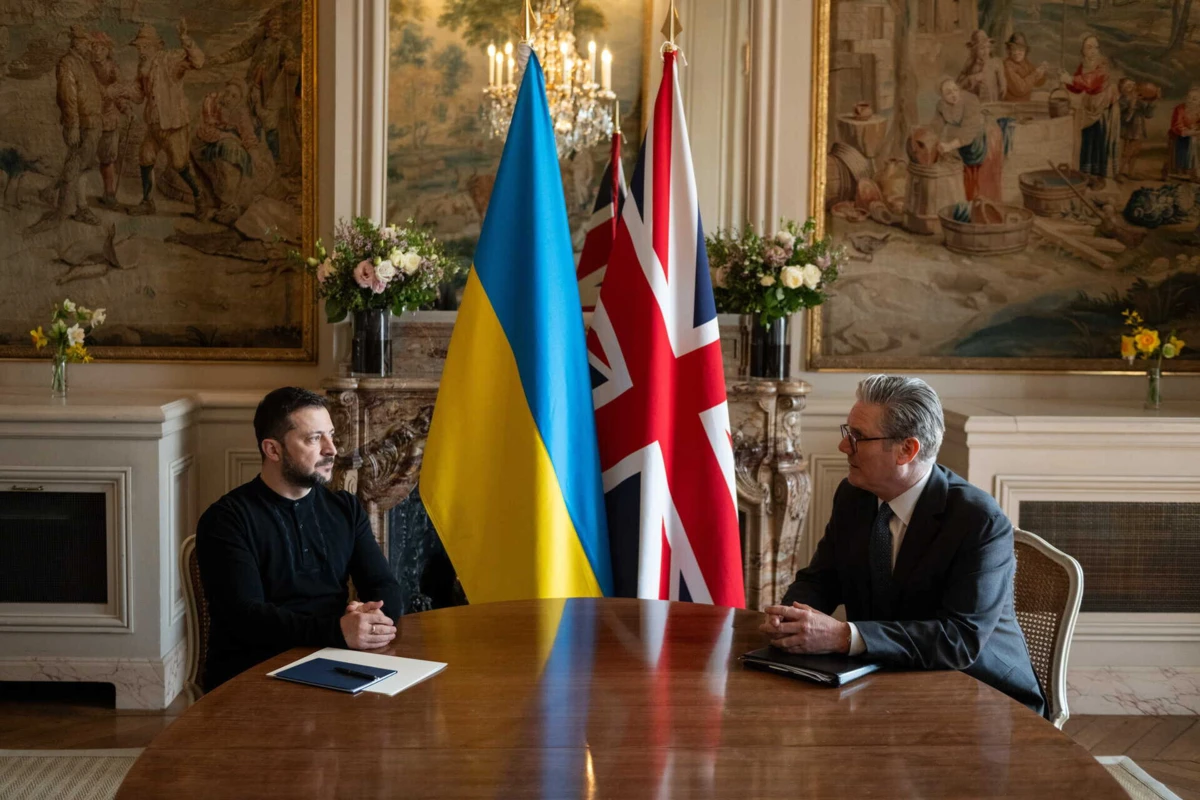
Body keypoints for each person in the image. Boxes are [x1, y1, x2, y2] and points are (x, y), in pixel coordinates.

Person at [759, 375, 1045, 716]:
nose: (843, 446)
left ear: (906, 450)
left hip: (982, 695)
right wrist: (790, 621)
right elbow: (821, 579)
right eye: (846, 432)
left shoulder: (977, 520)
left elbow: (959, 640)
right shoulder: (854, 496)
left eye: (858, 437)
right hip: (885, 681)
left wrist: (842, 637)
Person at [196, 387, 402, 691]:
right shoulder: (226, 520)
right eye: (314, 438)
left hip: (335, 662)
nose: (331, 449)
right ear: (273, 450)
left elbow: (385, 585)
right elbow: (246, 617)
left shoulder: (345, 508)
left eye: (331, 435)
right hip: (253, 675)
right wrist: (338, 630)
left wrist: (373, 619)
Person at [125, 20, 207, 218]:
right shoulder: (142, 66)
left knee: (179, 165)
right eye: (139, 47)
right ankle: (147, 202)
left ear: (156, 46)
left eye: (145, 46)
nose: (141, 51)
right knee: (145, 157)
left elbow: (198, 61)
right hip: (154, 124)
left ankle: (199, 198)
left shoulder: (169, 59)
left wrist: (185, 38)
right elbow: (139, 94)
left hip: (174, 124)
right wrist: (123, 93)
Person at [31, 24, 102, 232]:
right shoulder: (68, 64)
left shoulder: (84, 63)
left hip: (93, 123)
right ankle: (66, 209)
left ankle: (78, 205)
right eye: (86, 43)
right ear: (77, 43)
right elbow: (68, 98)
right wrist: (72, 125)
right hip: (81, 124)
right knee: (75, 166)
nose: (89, 47)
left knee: (83, 166)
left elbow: (92, 93)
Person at [930, 78, 1005, 202]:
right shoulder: (941, 105)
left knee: (984, 179)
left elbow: (969, 130)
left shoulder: (970, 100)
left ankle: (988, 208)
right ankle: (971, 207)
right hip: (966, 142)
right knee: (968, 177)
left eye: (955, 90)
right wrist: (931, 138)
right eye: (948, 93)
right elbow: (936, 126)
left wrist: (949, 146)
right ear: (942, 96)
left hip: (985, 139)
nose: (954, 94)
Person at [1060, 34, 1120, 185]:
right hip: (1089, 106)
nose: (1093, 50)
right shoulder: (1084, 64)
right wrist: (1066, 79)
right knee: (1087, 140)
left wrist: (1071, 79)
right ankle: (1085, 175)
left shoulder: (1102, 64)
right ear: (1083, 51)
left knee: (1099, 141)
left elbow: (1092, 81)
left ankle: (1099, 178)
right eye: (1089, 47)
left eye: (1095, 47)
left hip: (1101, 107)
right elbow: (1077, 87)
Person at [1118, 78, 1156, 180]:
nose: (1132, 88)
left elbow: (1148, 115)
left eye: (1133, 85)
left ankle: (1130, 173)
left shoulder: (1140, 99)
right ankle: (1119, 172)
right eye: (1129, 86)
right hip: (1128, 129)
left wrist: (1151, 103)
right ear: (1123, 89)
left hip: (1139, 129)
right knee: (1127, 152)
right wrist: (1132, 103)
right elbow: (1123, 116)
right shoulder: (1122, 99)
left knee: (1136, 152)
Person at [957, 29, 1006, 104]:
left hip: (992, 102)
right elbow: (959, 85)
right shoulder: (969, 64)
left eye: (988, 47)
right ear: (974, 50)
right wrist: (972, 78)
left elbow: (1002, 81)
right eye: (982, 48)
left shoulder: (996, 63)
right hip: (974, 103)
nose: (986, 51)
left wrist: (1003, 86)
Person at [1164, 85, 1200, 181]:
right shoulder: (1180, 108)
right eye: (1189, 98)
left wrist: (1196, 128)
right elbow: (1176, 124)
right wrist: (1187, 131)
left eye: (1195, 99)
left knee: (1195, 141)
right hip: (1178, 135)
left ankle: (1194, 170)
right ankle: (1192, 172)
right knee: (1191, 141)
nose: (1191, 100)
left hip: (1194, 134)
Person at [1001, 32, 1047, 102]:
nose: (1017, 52)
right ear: (1009, 50)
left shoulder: (1025, 63)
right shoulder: (1007, 65)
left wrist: (1042, 72)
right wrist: (1035, 74)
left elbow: (1039, 83)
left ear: (1025, 51)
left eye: (1020, 49)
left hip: (1025, 104)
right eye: (1014, 49)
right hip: (1010, 106)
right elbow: (1020, 89)